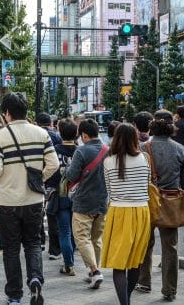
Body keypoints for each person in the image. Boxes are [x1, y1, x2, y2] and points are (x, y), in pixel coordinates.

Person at [0, 93, 59, 305]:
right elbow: (54, 164)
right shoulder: (41, 133)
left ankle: (14, 295)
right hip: (34, 199)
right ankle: (35, 279)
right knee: (33, 243)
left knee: (11, 248)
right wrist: (38, 179)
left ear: (7, 113)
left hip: (9, 200)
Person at [136, 110, 184, 302]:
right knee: (170, 247)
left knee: (145, 243)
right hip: (171, 202)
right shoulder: (180, 149)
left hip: (146, 200)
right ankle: (169, 290)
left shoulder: (142, 147)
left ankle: (144, 281)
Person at [101, 122, 151, 305]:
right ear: (134, 138)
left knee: (119, 263)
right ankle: (127, 299)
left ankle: (125, 302)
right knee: (136, 260)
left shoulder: (108, 161)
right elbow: (147, 184)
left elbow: (110, 191)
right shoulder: (144, 158)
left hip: (119, 212)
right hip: (141, 211)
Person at [65, 119, 108, 290]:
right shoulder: (109, 150)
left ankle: (95, 271)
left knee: (82, 237)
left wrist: (66, 169)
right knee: (96, 239)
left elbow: (71, 175)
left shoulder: (81, 151)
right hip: (102, 201)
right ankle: (93, 272)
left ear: (84, 135)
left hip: (83, 201)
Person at [50, 119, 78, 275]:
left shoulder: (54, 150)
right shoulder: (80, 151)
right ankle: (70, 258)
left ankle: (69, 264)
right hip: (78, 194)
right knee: (75, 231)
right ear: (77, 134)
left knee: (64, 231)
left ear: (59, 133)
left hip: (60, 194)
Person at [37, 112, 61, 259]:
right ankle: (55, 248)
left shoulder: (37, 135)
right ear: (50, 123)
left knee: (39, 211)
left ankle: (40, 240)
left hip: (39, 176)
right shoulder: (57, 136)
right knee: (53, 213)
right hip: (54, 178)